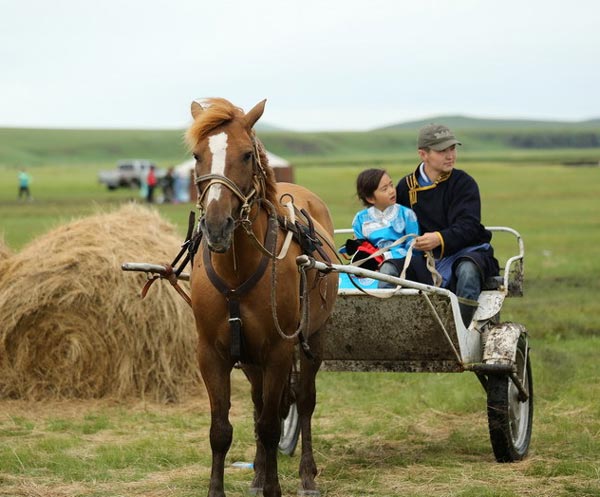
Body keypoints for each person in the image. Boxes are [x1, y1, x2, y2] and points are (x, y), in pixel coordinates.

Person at [395, 123, 499, 326]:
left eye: (452, 148)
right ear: (423, 154)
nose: (450, 155)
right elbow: (395, 224)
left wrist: (438, 238)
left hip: (466, 250)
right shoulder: (405, 187)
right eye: (442, 150)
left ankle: (460, 334)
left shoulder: (464, 183)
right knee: (390, 270)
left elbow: (469, 226)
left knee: (468, 272)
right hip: (423, 258)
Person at [351, 168, 430, 288]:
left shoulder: (406, 214)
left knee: (387, 269)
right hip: (372, 264)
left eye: (391, 185)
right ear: (370, 198)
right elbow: (361, 246)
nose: (392, 191)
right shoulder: (360, 219)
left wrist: (386, 257)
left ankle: (383, 306)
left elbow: (412, 248)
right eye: (385, 189)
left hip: (402, 264)